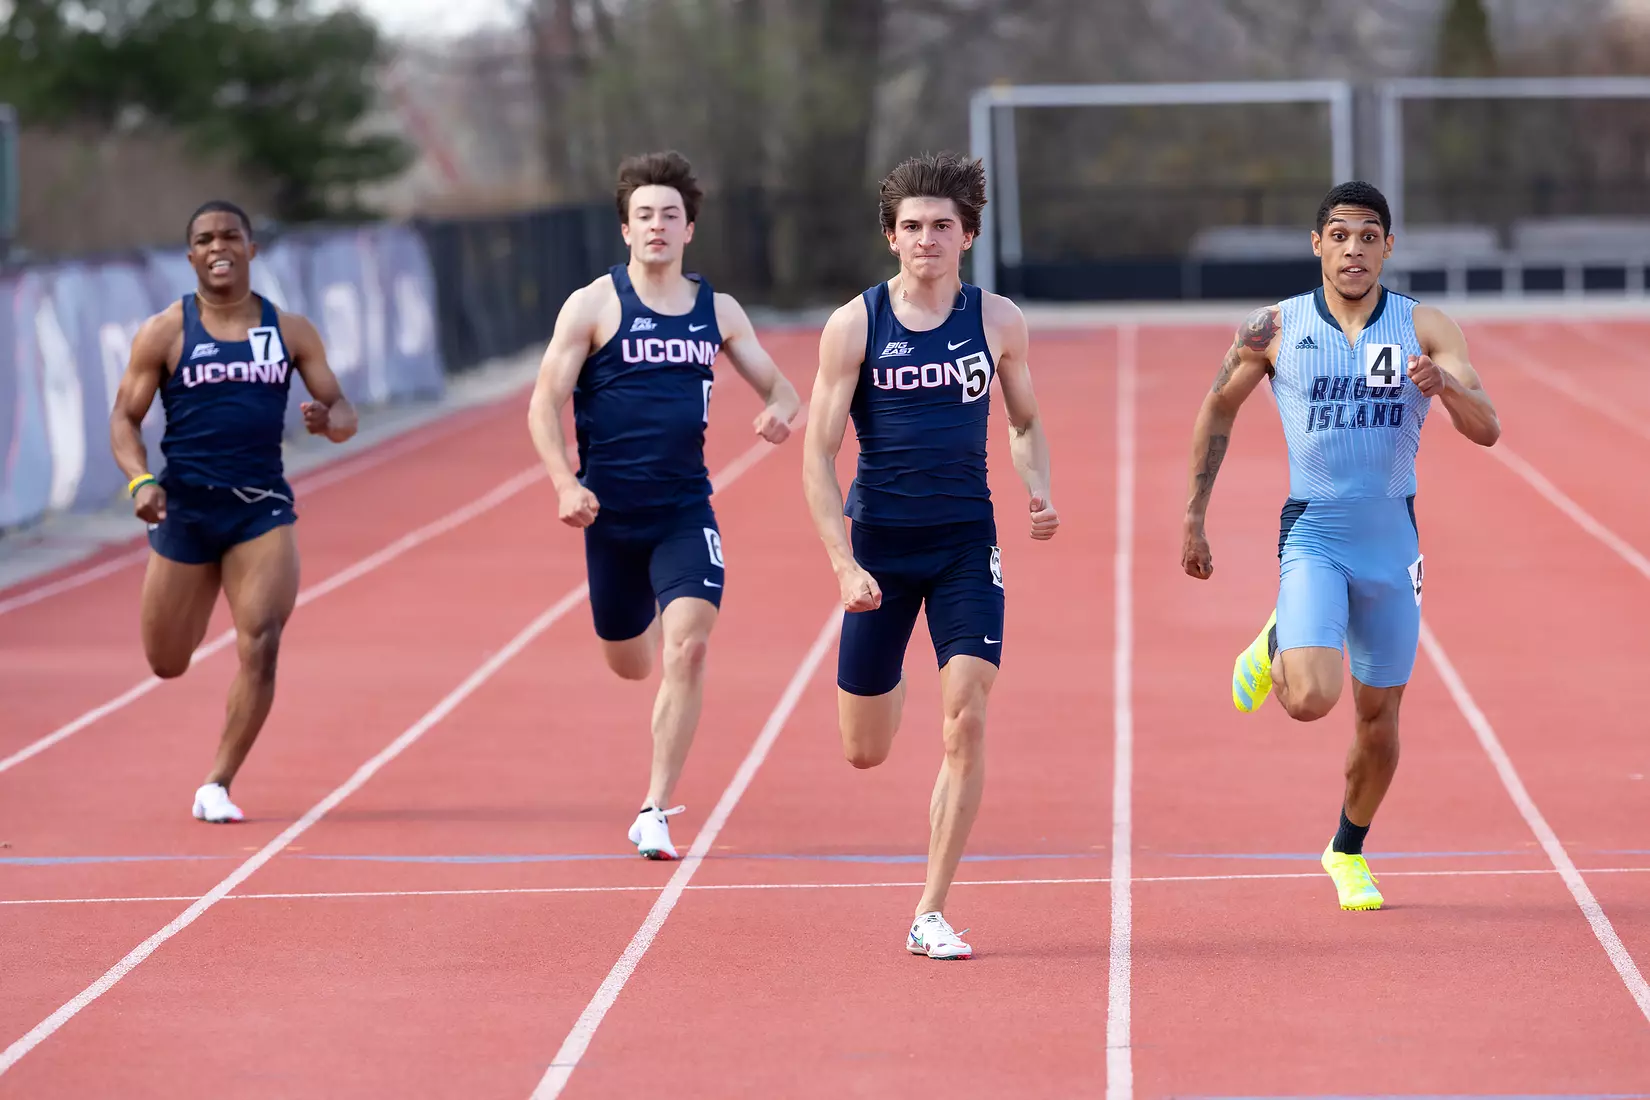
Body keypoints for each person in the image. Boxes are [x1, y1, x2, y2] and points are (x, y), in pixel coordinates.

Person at [1181, 180, 1501, 911]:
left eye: (1368, 236)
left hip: (1392, 545)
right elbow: (1217, 407)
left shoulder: (1425, 328)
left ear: (1388, 246)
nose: (1353, 249)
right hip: (1316, 534)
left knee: (1379, 719)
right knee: (1309, 701)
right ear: (1317, 244)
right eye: (1339, 235)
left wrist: (1443, 386)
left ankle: (1347, 851)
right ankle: (1274, 645)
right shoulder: (1275, 327)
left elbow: (1488, 427)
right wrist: (1193, 517)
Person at [801, 151, 1059, 960]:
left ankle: (931, 909)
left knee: (967, 723)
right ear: (891, 238)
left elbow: (1021, 422)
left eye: (941, 227)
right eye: (911, 227)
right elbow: (818, 454)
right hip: (877, 553)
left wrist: (1038, 488)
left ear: (968, 236)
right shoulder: (855, 325)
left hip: (963, 546)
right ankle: (899, 664)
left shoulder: (997, 321)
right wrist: (843, 564)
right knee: (864, 749)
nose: (926, 240)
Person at [528, 150, 800, 861]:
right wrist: (564, 481)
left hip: (684, 512)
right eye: (644, 215)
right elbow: (543, 404)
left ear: (688, 230)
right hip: (609, 517)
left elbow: (783, 388)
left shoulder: (719, 311)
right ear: (625, 229)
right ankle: (638, 621)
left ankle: (654, 807)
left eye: (669, 215)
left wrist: (780, 410)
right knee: (632, 663)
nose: (656, 226)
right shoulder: (594, 305)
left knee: (690, 647)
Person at [110, 199, 358, 823]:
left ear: (252, 248)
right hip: (187, 510)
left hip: (261, 510)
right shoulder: (165, 331)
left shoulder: (290, 331)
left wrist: (329, 422)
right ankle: (190, 642)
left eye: (230, 235)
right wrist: (141, 480)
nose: (218, 246)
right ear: (191, 255)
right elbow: (124, 419)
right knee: (166, 662)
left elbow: (345, 412)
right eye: (204, 238)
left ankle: (217, 782)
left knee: (263, 642)